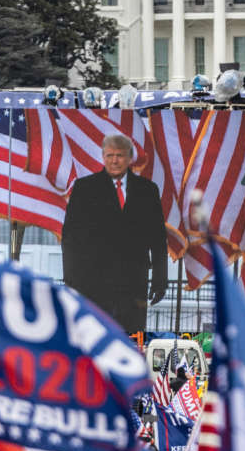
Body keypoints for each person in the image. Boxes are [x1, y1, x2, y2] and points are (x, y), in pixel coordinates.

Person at [62, 134, 167, 335]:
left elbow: (158, 239)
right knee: (94, 338)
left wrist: (160, 278)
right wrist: (71, 281)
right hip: (92, 284)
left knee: (130, 339)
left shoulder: (148, 191)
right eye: (110, 155)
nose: (115, 160)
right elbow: (70, 239)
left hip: (134, 284)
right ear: (103, 157)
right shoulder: (84, 188)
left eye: (120, 155)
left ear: (129, 158)